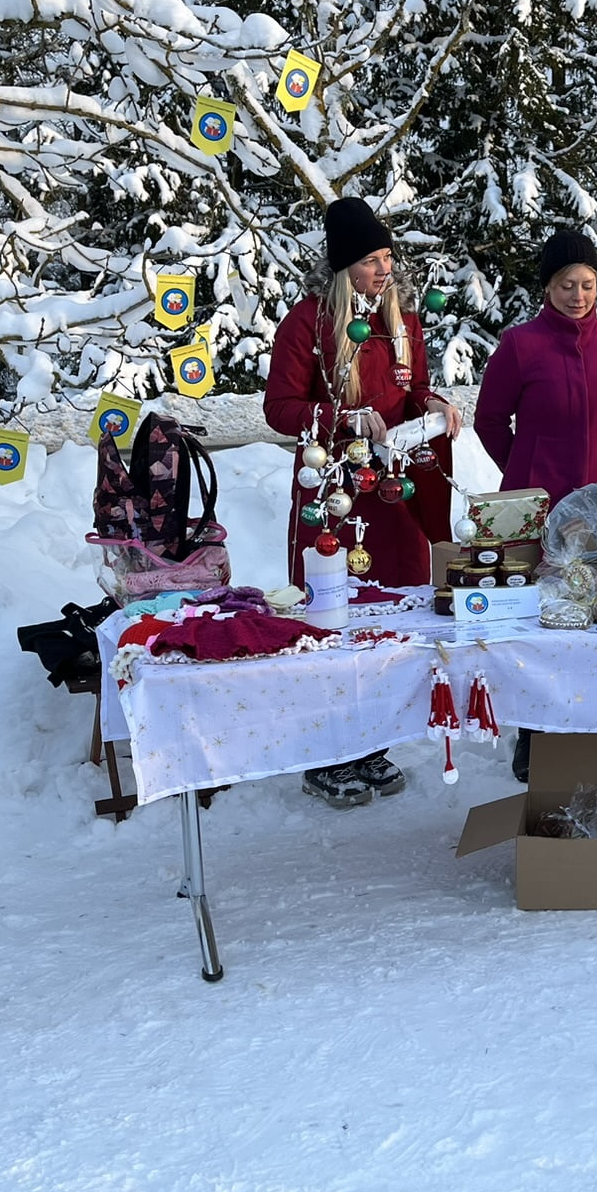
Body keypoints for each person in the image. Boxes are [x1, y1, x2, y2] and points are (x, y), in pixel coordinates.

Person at [264, 196, 460, 807]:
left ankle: (373, 740)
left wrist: (434, 404)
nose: (384, 269)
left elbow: (413, 388)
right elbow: (279, 409)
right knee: (333, 615)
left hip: (393, 491)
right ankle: (328, 752)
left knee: (392, 613)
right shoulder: (306, 323)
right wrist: (341, 417)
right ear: (344, 266)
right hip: (333, 493)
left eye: (387, 257)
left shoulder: (402, 320)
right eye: (372, 260)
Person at [475, 228, 597, 779]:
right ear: (548, 287)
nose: (579, 295)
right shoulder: (520, 345)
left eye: (588, 284)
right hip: (537, 505)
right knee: (541, 617)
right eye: (567, 284)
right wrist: (523, 469)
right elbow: (489, 420)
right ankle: (534, 731)